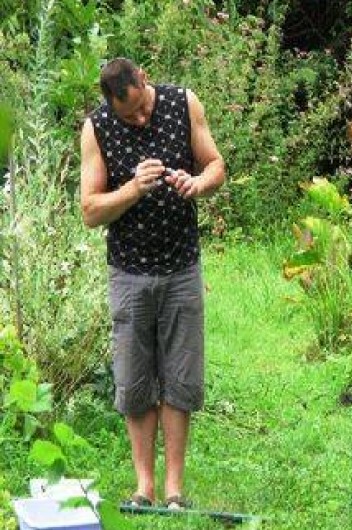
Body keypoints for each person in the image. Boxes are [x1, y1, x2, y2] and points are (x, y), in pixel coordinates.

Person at [80, 58, 225, 510]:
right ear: (111, 106)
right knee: (135, 378)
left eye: (142, 107)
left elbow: (217, 165)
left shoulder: (184, 103)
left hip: (181, 266)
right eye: (130, 116)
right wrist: (132, 189)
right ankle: (144, 487)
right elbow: (89, 210)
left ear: (144, 78)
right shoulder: (97, 127)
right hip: (129, 272)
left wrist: (198, 184)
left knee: (180, 376)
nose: (140, 119)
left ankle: (174, 490)